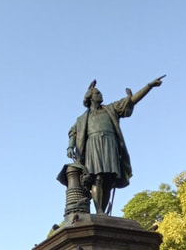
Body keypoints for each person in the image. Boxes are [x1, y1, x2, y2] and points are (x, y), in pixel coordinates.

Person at [67, 75, 165, 214]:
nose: (101, 94)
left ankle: (103, 212)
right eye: (97, 93)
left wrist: (149, 86)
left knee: (109, 180)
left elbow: (131, 100)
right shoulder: (83, 118)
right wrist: (71, 146)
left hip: (110, 144)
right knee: (98, 177)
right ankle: (99, 211)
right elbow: (73, 132)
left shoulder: (110, 109)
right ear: (90, 98)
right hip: (93, 146)